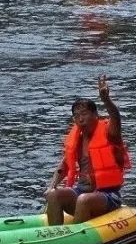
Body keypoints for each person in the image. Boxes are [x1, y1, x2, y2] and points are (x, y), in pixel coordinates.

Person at [45, 76, 129, 226]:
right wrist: (51, 186)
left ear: (95, 115)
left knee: (84, 200)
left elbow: (116, 117)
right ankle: (53, 237)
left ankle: (75, 242)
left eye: (84, 114)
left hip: (108, 195)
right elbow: (63, 166)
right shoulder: (77, 139)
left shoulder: (110, 134)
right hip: (81, 190)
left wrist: (106, 100)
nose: (80, 119)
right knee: (54, 195)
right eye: (76, 116)